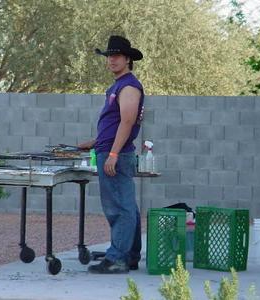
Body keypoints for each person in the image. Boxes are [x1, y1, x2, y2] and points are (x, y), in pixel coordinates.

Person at [78, 35, 144, 274]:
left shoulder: (128, 86)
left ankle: (117, 258)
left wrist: (113, 153)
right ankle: (129, 255)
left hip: (116, 155)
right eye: (109, 56)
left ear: (128, 59)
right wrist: (95, 142)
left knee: (119, 208)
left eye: (117, 56)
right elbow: (116, 123)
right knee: (127, 207)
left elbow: (127, 121)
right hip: (109, 150)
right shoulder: (118, 86)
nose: (112, 60)